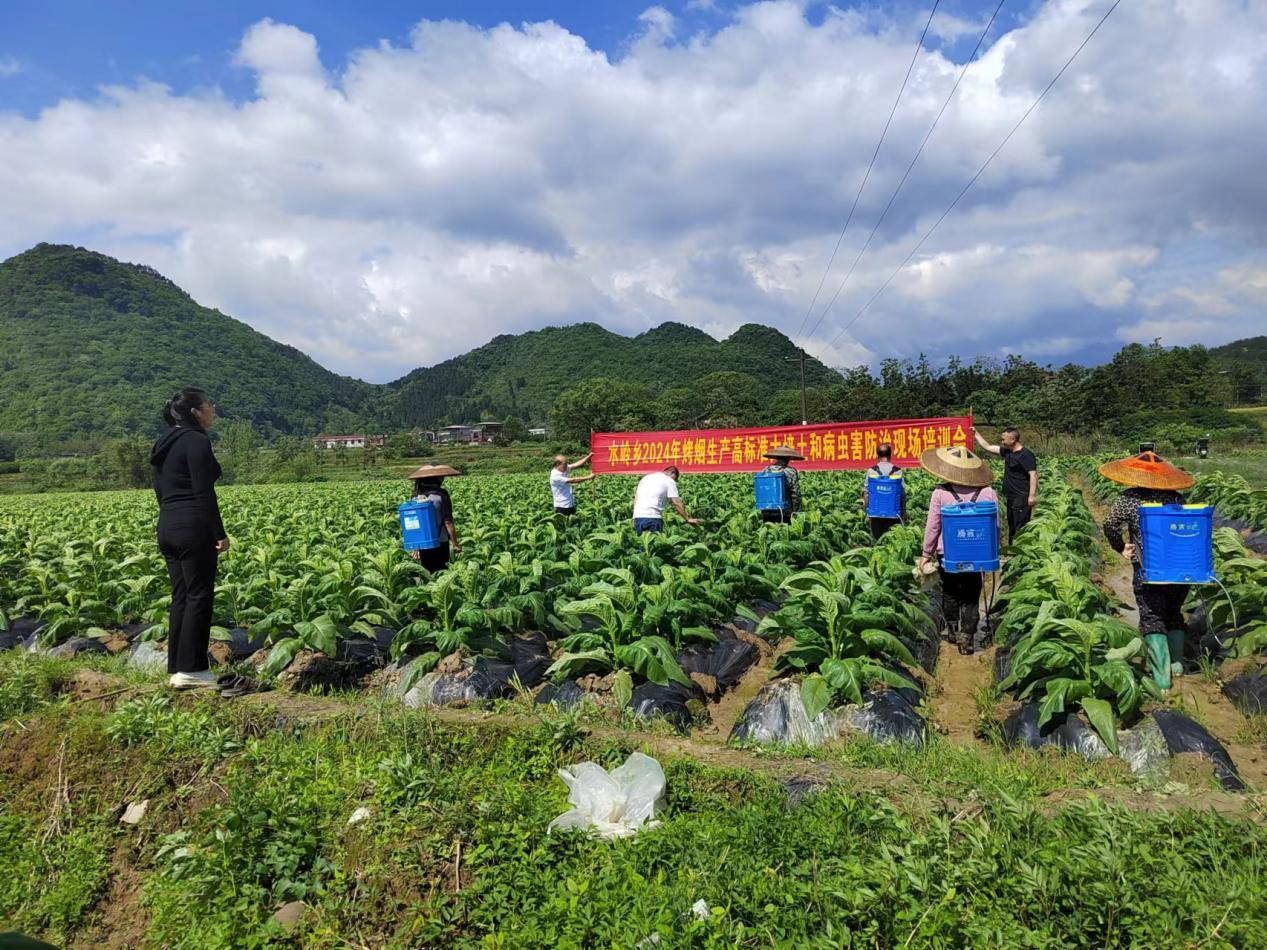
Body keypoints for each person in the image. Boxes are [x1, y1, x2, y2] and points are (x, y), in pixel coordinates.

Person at [150, 389, 229, 690]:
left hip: (168, 524)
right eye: (210, 406)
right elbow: (203, 491)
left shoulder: (163, 443)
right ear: (195, 412)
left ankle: (178, 669)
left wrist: (172, 519)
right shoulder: (196, 441)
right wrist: (218, 533)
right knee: (199, 596)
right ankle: (194, 669)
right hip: (193, 526)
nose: (213, 410)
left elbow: (159, 490)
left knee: (181, 596)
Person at [1100, 451, 1196, 689]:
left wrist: (1121, 547)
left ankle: (1162, 680)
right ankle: (1177, 666)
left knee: (1152, 618)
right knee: (1174, 613)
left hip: (1149, 568)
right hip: (1179, 567)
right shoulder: (1176, 499)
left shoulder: (1130, 498)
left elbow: (1110, 524)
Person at [916, 446, 999, 655]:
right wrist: (993, 551)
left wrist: (926, 554)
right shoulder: (988, 492)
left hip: (949, 554)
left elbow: (933, 526)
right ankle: (968, 637)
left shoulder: (941, 492)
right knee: (972, 593)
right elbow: (995, 525)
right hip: (978, 552)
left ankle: (953, 631)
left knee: (951, 591)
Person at [974, 426, 1037, 540]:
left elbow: (1033, 475)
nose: (1001, 441)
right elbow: (988, 447)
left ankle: (1022, 551)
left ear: (1013, 439)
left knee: (1020, 525)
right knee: (1012, 524)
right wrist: (976, 434)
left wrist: (1031, 496)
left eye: (1003, 439)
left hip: (1021, 496)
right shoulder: (1008, 452)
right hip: (1011, 495)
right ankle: (1013, 550)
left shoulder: (1026, 454)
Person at [406, 464, 462, 572]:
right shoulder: (441, 495)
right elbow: (448, 522)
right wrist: (455, 544)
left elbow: (414, 524)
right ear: (436, 479)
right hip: (440, 540)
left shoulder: (415, 496)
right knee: (441, 571)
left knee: (427, 571)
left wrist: (415, 547)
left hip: (423, 542)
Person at [632, 465, 700, 534]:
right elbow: (676, 502)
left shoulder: (645, 478)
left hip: (638, 517)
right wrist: (687, 518)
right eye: (675, 479)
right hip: (653, 518)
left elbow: (636, 499)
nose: (674, 481)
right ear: (672, 473)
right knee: (655, 542)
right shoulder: (669, 481)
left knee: (641, 542)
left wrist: (634, 518)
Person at [864, 442, 906, 539]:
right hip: (893, 514)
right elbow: (902, 494)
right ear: (890, 455)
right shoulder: (898, 471)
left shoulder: (871, 471)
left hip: (876, 514)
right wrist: (903, 513)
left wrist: (867, 511)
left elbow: (866, 493)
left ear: (877, 455)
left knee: (877, 542)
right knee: (891, 542)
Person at [758, 446, 804, 523]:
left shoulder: (765, 470)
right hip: (784, 511)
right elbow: (795, 493)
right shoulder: (790, 471)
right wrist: (796, 511)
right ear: (788, 459)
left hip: (767, 510)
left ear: (776, 458)